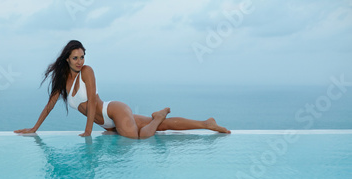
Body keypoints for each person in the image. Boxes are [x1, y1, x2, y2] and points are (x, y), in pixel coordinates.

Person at [14, 40, 230, 139]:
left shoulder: (87, 71)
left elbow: (90, 103)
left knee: (138, 138)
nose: (80, 61)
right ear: (67, 59)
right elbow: (49, 106)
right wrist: (34, 128)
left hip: (113, 111)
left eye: (82, 56)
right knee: (163, 128)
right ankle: (206, 123)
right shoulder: (62, 80)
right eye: (75, 58)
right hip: (108, 122)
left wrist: (89, 131)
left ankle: (157, 116)